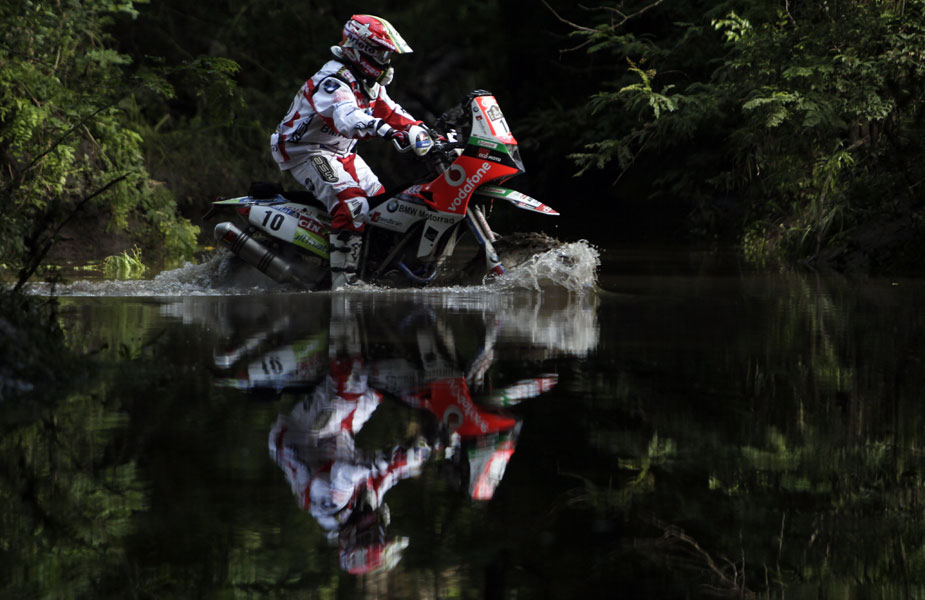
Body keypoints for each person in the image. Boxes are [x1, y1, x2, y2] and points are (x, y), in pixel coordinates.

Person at [269, 14, 431, 289]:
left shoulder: (367, 81)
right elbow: (346, 117)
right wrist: (385, 130)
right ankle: (344, 282)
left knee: (383, 207)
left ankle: (375, 269)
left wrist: (425, 131)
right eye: (382, 53)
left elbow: (391, 111)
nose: (386, 61)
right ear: (361, 49)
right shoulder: (332, 80)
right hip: (305, 151)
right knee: (352, 204)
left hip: (341, 151)